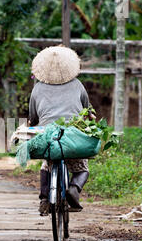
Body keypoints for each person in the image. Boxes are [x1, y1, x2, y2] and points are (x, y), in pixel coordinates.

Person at [28, 45, 93, 215]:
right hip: (72, 134)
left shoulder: (38, 88)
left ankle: (44, 199)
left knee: (46, 165)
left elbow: (33, 118)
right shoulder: (78, 84)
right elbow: (88, 111)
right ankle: (74, 188)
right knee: (81, 168)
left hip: (47, 134)